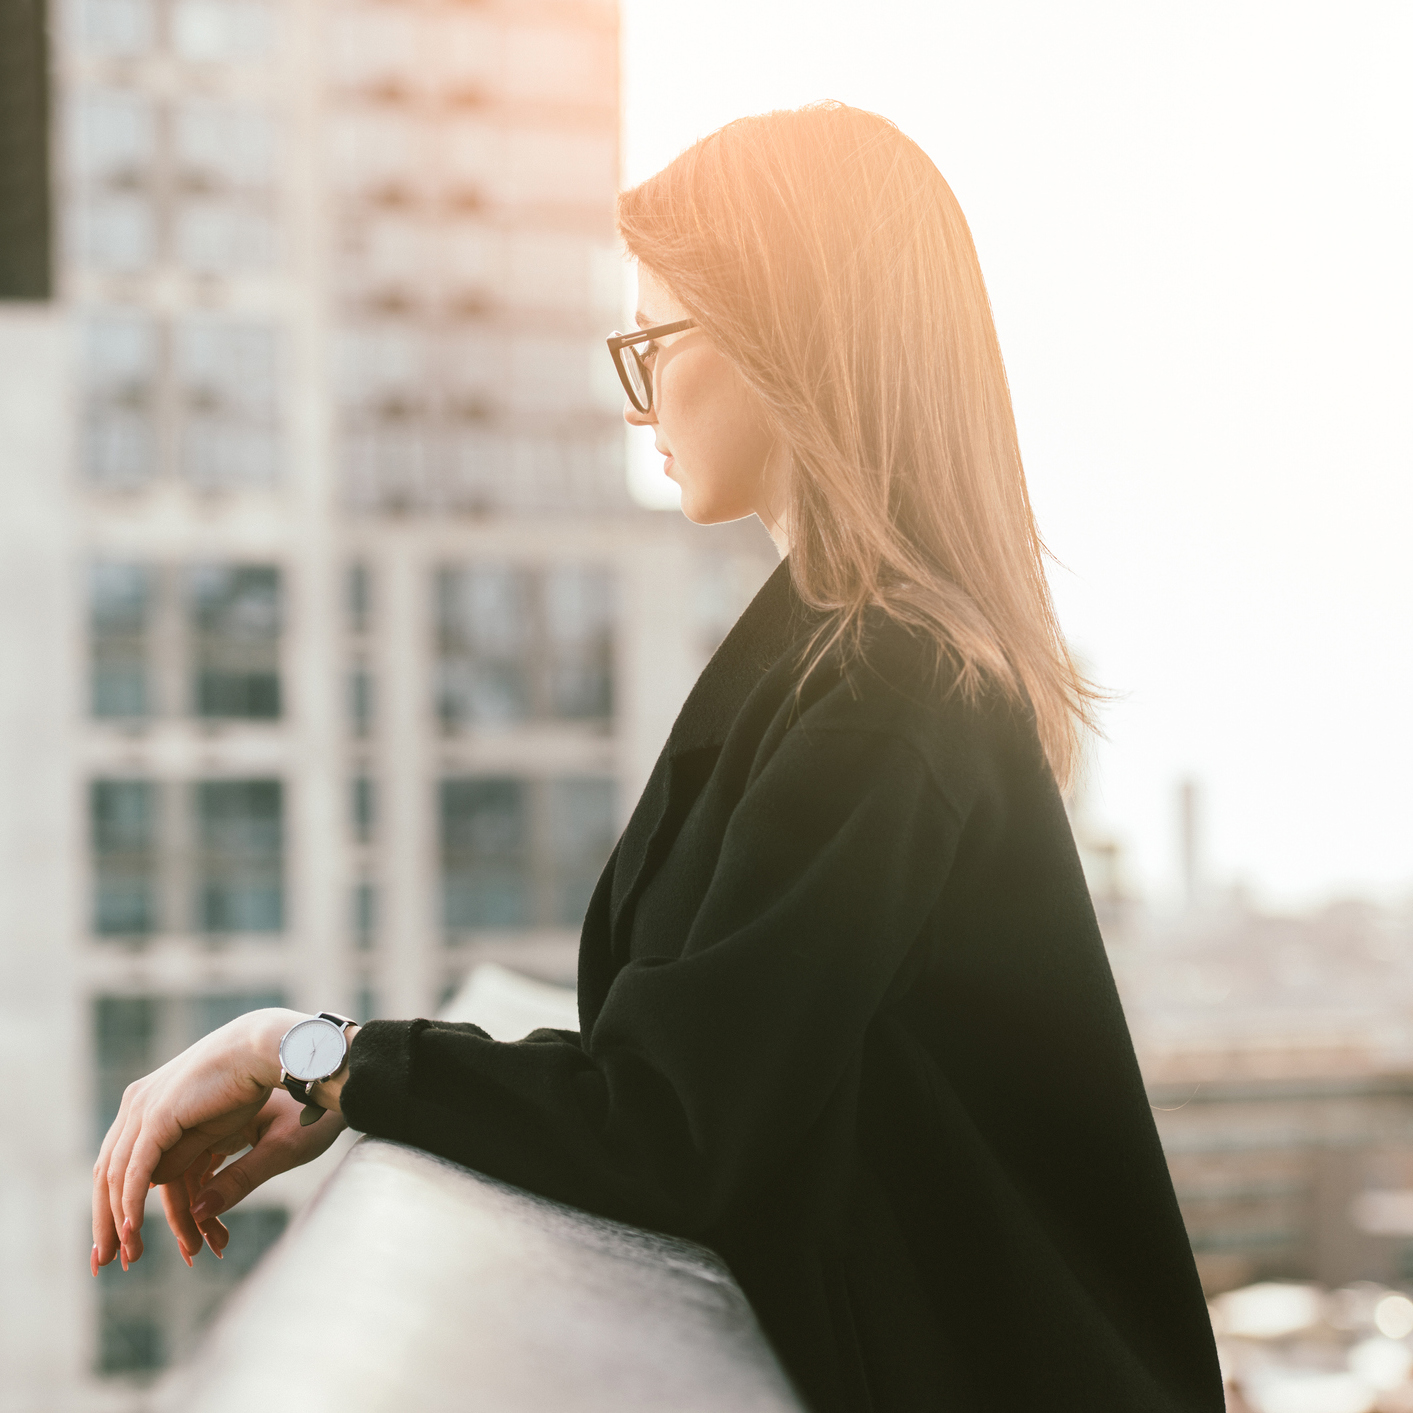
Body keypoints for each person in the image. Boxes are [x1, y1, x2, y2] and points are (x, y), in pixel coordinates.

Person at [91, 103, 1223, 1412]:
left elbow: (671, 1122)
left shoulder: (887, 696)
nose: (635, 399)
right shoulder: (822, 648)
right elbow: (693, 1063)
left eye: (653, 343)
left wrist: (313, 1052)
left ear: (780, 343)